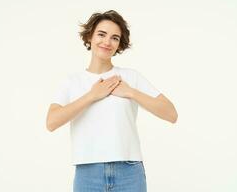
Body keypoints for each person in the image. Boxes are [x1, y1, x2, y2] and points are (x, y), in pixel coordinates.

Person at [46, 10, 178, 192]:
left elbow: (171, 113)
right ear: (90, 36)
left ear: (119, 44)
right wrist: (92, 95)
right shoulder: (72, 82)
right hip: (88, 173)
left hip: (129, 172)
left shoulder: (130, 77)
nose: (107, 42)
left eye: (115, 38)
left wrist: (130, 92)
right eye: (101, 34)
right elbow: (52, 122)